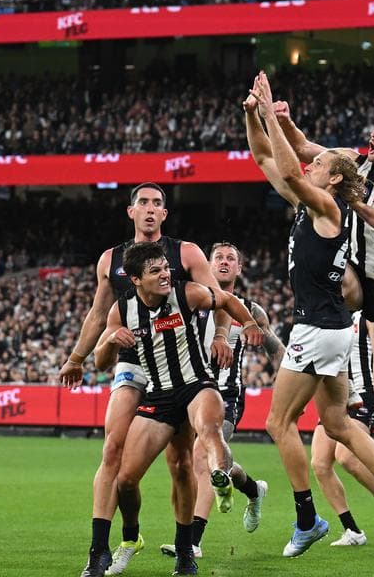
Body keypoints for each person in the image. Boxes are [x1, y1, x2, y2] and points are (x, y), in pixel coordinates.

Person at [245, 71, 374, 558]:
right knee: (339, 423)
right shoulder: (312, 202)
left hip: (317, 327)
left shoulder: (325, 206)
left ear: (334, 178)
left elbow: (286, 163)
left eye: (320, 163)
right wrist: (252, 116)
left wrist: (268, 113)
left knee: (278, 424)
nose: (312, 163)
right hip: (338, 330)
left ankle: (307, 519)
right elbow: (267, 158)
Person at [61, 183, 214, 577]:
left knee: (179, 463)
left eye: (157, 203)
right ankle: (100, 550)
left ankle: (184, 550)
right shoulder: (110, 260)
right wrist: (77, 357)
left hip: (179, 368)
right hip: (133, 364)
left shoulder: (188, 253)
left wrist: (220, 339)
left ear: (165, 214)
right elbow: (99, 315)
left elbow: (217, 300)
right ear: (130, 212)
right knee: (112, 451)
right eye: (142, 203)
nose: (150, 209)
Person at [91, 241, 263, 577]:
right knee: (125, 481)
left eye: (166, 268)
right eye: (155, 271)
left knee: (204, 438)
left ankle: (189, 547)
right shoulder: (122, 310)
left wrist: (249, 325)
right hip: (158, 396)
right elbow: (100, 361)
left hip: (197, 384)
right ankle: (130, 536)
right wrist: (111, 341)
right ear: (136, 279)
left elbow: (227, 300)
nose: (165, 274)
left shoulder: (188, 293)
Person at [272, 98, 374, 443]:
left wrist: (356, 202)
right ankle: (324, 386)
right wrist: (284, 120)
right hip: (354, 270)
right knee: (327, 291)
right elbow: (302, 148)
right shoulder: (354, 162)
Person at [159, 241, 284, 561]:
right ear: (208, 265)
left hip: (227, 395)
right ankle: (253, 489)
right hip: (188, 392)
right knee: (204, 462)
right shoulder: (190, 300)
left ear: (240, 268)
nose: (225, 262)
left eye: (231, 258)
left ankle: (192, 541)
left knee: (202, 457)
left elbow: (276, 352)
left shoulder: (251, 310)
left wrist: (290, 387)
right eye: (219, 258)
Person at [311, 311, 374, 548]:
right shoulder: (322, 316)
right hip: (333, 399)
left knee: (347, 457)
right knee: (320, 464)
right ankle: (352, 530)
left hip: (363, 396)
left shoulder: (366, 316)